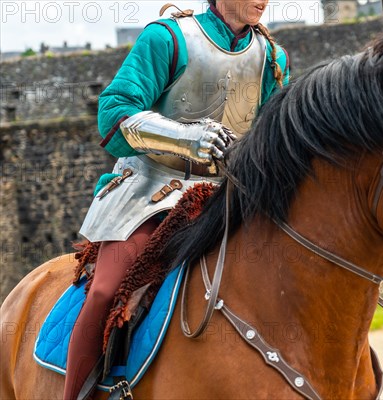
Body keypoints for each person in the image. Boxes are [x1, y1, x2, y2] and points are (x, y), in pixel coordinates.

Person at [64, 0, 289, 398]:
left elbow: (274, 135)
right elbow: (115, 111)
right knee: (105, 290)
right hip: (152, 189)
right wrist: (188, 138)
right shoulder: (167, 38)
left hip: (228, 194)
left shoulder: (272, 57)